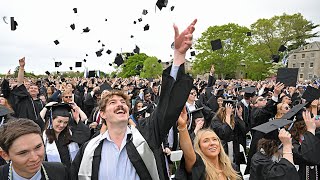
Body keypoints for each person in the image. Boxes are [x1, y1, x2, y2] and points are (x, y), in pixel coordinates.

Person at [70, 19, 196, 180]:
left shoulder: (145, 136)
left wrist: (178, 56)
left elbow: (167, 106)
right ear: (102, 114)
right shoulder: (90, 149)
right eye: (113, 103)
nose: (120, 105)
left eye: (123, 102)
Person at [175, 107, 242, 180]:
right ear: (199, 147)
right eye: (206, 141)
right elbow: (187, 152)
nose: (212, 143)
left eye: (214, 139)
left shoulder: (232, 168)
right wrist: (183, 127)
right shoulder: (199, 169)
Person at [0, 119, 69, 179]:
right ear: (5, 155)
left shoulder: (59, 171)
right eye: (23, 153)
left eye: (38, 147)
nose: (35, 158)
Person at [42, 103, 90, 171]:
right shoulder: (44, 138)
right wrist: (46, 107)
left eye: (65, 122)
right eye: (59, 121)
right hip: (53, 174)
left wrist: (77, 118)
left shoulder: (71, 133)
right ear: (51, 119)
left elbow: (86, 134)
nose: (62, 125)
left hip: (70, 174)